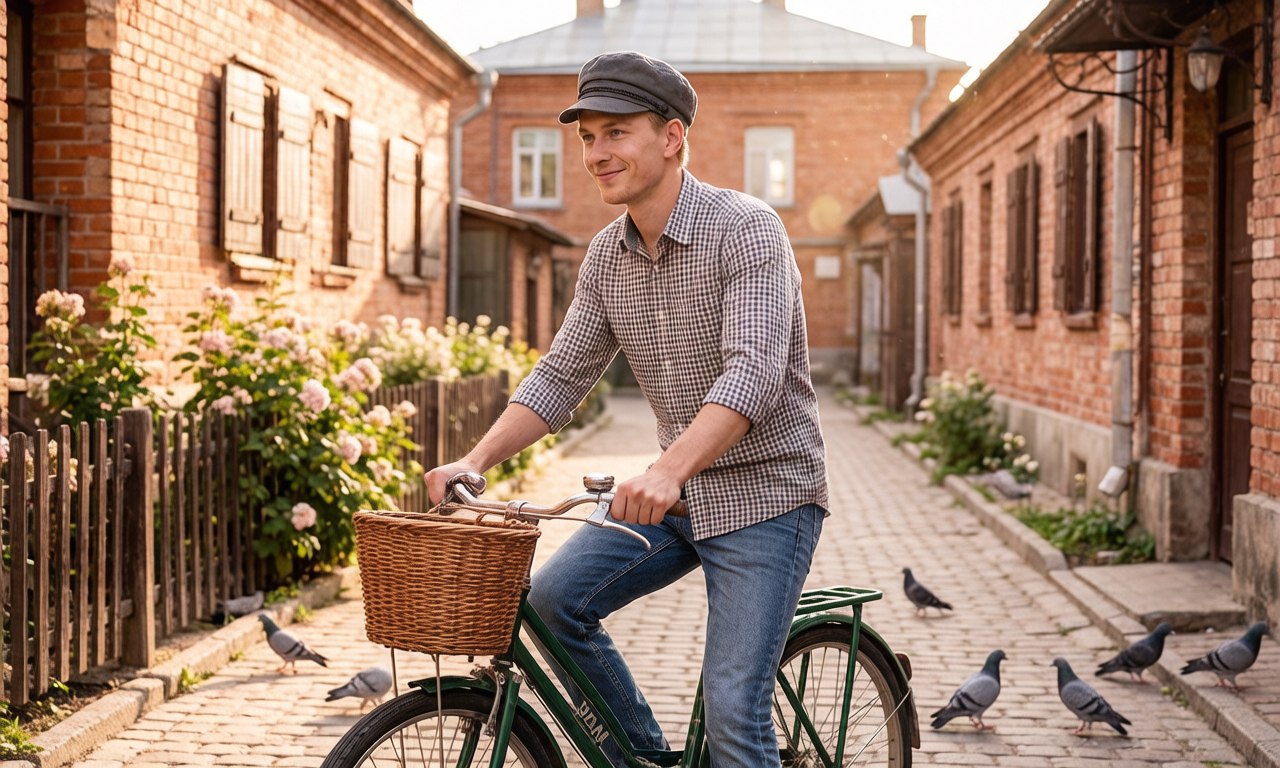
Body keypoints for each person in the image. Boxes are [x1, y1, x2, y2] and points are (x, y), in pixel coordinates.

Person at [425, 50, 828, 768]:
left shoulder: (747, 230)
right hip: (673, 497)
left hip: (767, 496)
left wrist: (668, 470)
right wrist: (475, 459)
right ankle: (643, 758)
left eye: (616, 132)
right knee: (552, 603)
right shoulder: (608, 256)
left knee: (734, 710)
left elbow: (755, 373)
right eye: (588, 137)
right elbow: (561, 375)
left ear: (671, 137)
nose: (596, 153)